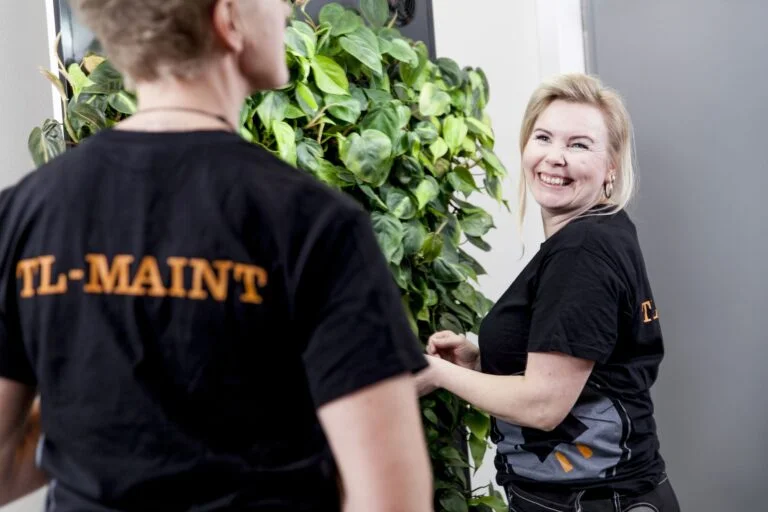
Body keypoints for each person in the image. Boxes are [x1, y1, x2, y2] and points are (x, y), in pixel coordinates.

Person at [0, 0, 433, 510]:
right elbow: (392, 502)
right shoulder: (315, 224)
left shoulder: (24, 214)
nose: (286, 13)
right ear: (228, 19)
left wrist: (103, 398)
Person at [417, 74, 680, 512]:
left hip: (592, 502)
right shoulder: (604, 232)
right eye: (543, 137)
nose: (555, 157)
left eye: (579, 145)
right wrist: (480, 361)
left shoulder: (582, 251)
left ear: (611, 166)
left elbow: (543, 406)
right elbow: (586, 366)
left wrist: (437, 374)